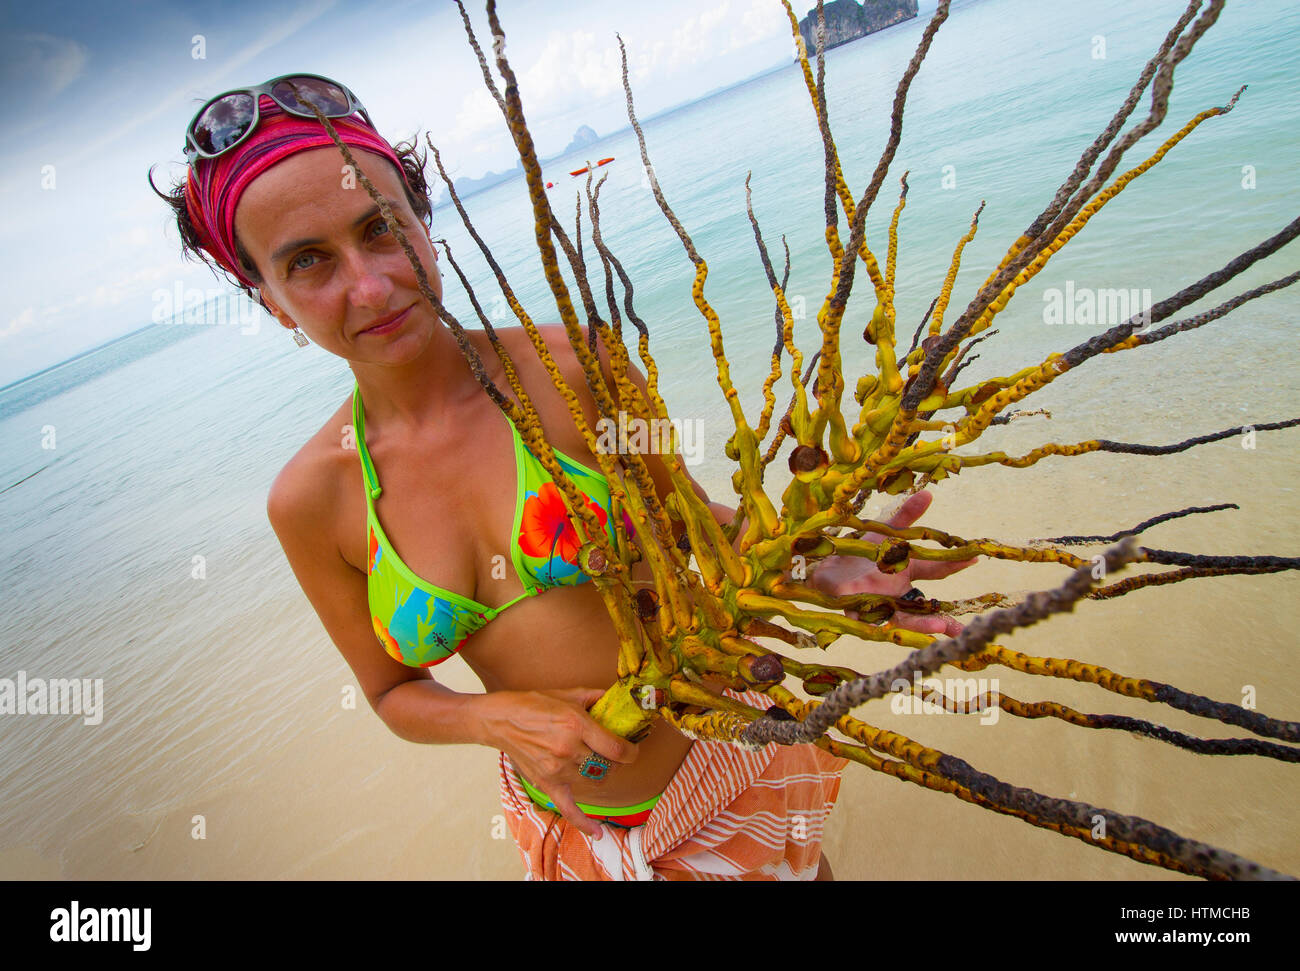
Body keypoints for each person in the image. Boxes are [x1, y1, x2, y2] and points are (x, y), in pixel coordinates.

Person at [152, 74, 974, 880]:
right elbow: (392, 692)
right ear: (269, 301)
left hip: (731, 765)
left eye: (378, 228)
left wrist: (811, 562)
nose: (368, 284)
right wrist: (489, 716)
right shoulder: (308, 500)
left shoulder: (579, 365)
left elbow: (693, 521)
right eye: (307, 262)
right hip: (568, 835)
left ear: (423, 221)